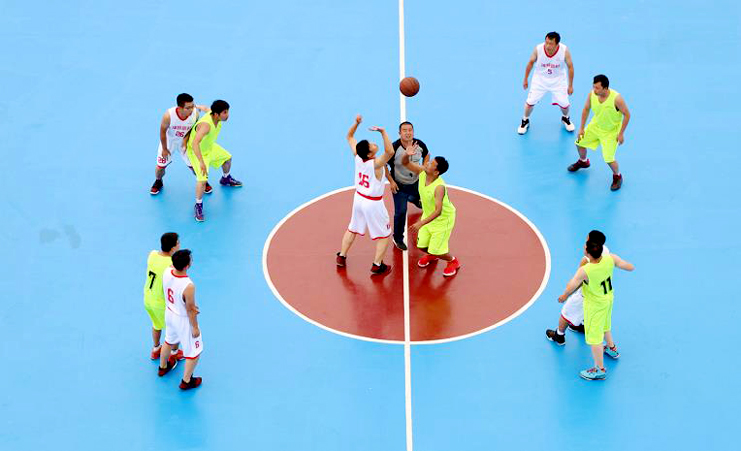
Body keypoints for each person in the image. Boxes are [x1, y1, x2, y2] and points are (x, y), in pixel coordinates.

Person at [556, 231, 634, 380]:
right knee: (605, 326)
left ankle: (600, 369)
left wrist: (564, 296)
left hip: (595, 306)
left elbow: (572, 285)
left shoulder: (586, 270)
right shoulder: (610, 258)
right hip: (608, 299)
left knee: (595, 339)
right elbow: (628, 266)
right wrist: (631, 266)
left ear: (588, 253)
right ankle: (612, 348)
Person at [335, 115, 395, 275]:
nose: (374, 144)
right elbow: (390, 151)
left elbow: (349, 136)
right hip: (373, 203)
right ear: (369, 154)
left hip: (359, 199)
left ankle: (341, 255)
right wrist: (383, 132)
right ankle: (377, 265)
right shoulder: (376, 164)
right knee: (384, 235)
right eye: (371, 145)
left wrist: (356, 123)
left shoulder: (357, 156)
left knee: (352, 228)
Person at [401, 145, 460, 277]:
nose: (427, 163)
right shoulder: (423, 172)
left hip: (442, 220)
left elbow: (438, 211)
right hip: (428, 216)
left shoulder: (439, 187)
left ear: (436, 172)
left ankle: (453, 261)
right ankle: (433, 255)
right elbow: (405, 163)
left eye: (431, 164)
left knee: (438, 250)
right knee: (421, 246)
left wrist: (421, 223)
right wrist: (406, 154)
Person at [567, 74, 632, 191]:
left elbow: (627, 115)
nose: (594, 90)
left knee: (609, 158)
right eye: (593, 87)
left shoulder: (616, 99)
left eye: (597, 88)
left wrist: (621, 133)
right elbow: (586, 109)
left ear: (605, 88)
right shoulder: (592, 94)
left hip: (610, 132)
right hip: (595, 126)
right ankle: (583, 162)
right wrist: (581, 128)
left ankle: (617, 176)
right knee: (579, 143)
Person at [546, 230, 610, 344]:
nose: (585, 241)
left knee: (566, 312)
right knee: (589, 310)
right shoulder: (605, 250)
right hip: (601, 292)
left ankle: (559, 335)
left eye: (587, 239)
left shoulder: (586, 261)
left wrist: (565, 294)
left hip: (587, 294)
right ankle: (582, 325)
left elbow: (577, 282)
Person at [186, 99, 243, 222]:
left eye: (227, 112)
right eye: (225, 112)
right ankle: (198, 205)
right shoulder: (206, 126)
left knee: (227, 158)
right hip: (197, 152)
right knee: (202, 180)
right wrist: (201, 162)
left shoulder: (213, 113)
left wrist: (197, 106)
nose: (227, 115)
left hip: (209, 147)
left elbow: (206, 108)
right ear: (217, 114)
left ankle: (225, 179)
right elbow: (195, 143)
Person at [158, 249, 203, 390]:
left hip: (169, 313)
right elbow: (190, 309)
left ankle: (163, 367)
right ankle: (186, 381)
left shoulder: (167, 271)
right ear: (187, 266)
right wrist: (195, 327)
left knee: (168, 341)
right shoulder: (188, 285)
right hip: (182, 320)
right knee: (194, 352)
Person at [150, 93, 211, 195]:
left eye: (192, 106)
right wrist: (164, 148)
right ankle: (158, 181)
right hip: (169, 141)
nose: (191, 110)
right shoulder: (168, 115)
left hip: (185, 141)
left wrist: (186, 139)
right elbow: (162, 132)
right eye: (188, 108)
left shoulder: (195, 114)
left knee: (195, 166)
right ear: (179, 108)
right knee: (160, 167)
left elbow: (192, 129)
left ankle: (203, 181)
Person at [518, 31, 575, 135]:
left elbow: (570, 67)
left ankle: (565, 118)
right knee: (530, 102)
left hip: (558, 80)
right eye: (546, 42)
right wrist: (525, 79)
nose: (548, 46)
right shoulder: (538, 49)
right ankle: (525, 120)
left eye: (551, 43)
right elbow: (530, 63)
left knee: (565, 104)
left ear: (557, 44)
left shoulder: (564, 50)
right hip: (540, 79)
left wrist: (570, 85)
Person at [385, 121, 429, 251]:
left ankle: (413, 199)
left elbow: (427, 154)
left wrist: (424, 168)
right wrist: (391, 182)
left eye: (410, 130)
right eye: (404, 130)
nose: (408, 133)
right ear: (399, 133)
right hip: (399, 186)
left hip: (416, 182)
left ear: (413, 132)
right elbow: (384, 165)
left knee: (421, 198)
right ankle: (398, 238)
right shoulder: (393, 148)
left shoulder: (419, 144)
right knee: (401, 212)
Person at [143, 232, 183, 361]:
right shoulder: (172, 265)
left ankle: (155, 349)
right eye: (178, 243)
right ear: (173, 247)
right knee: (175, 330)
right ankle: (174, 352)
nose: (179, 245)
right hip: (161, 303)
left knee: (156, 324)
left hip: (148, 299)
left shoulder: (152, 254)